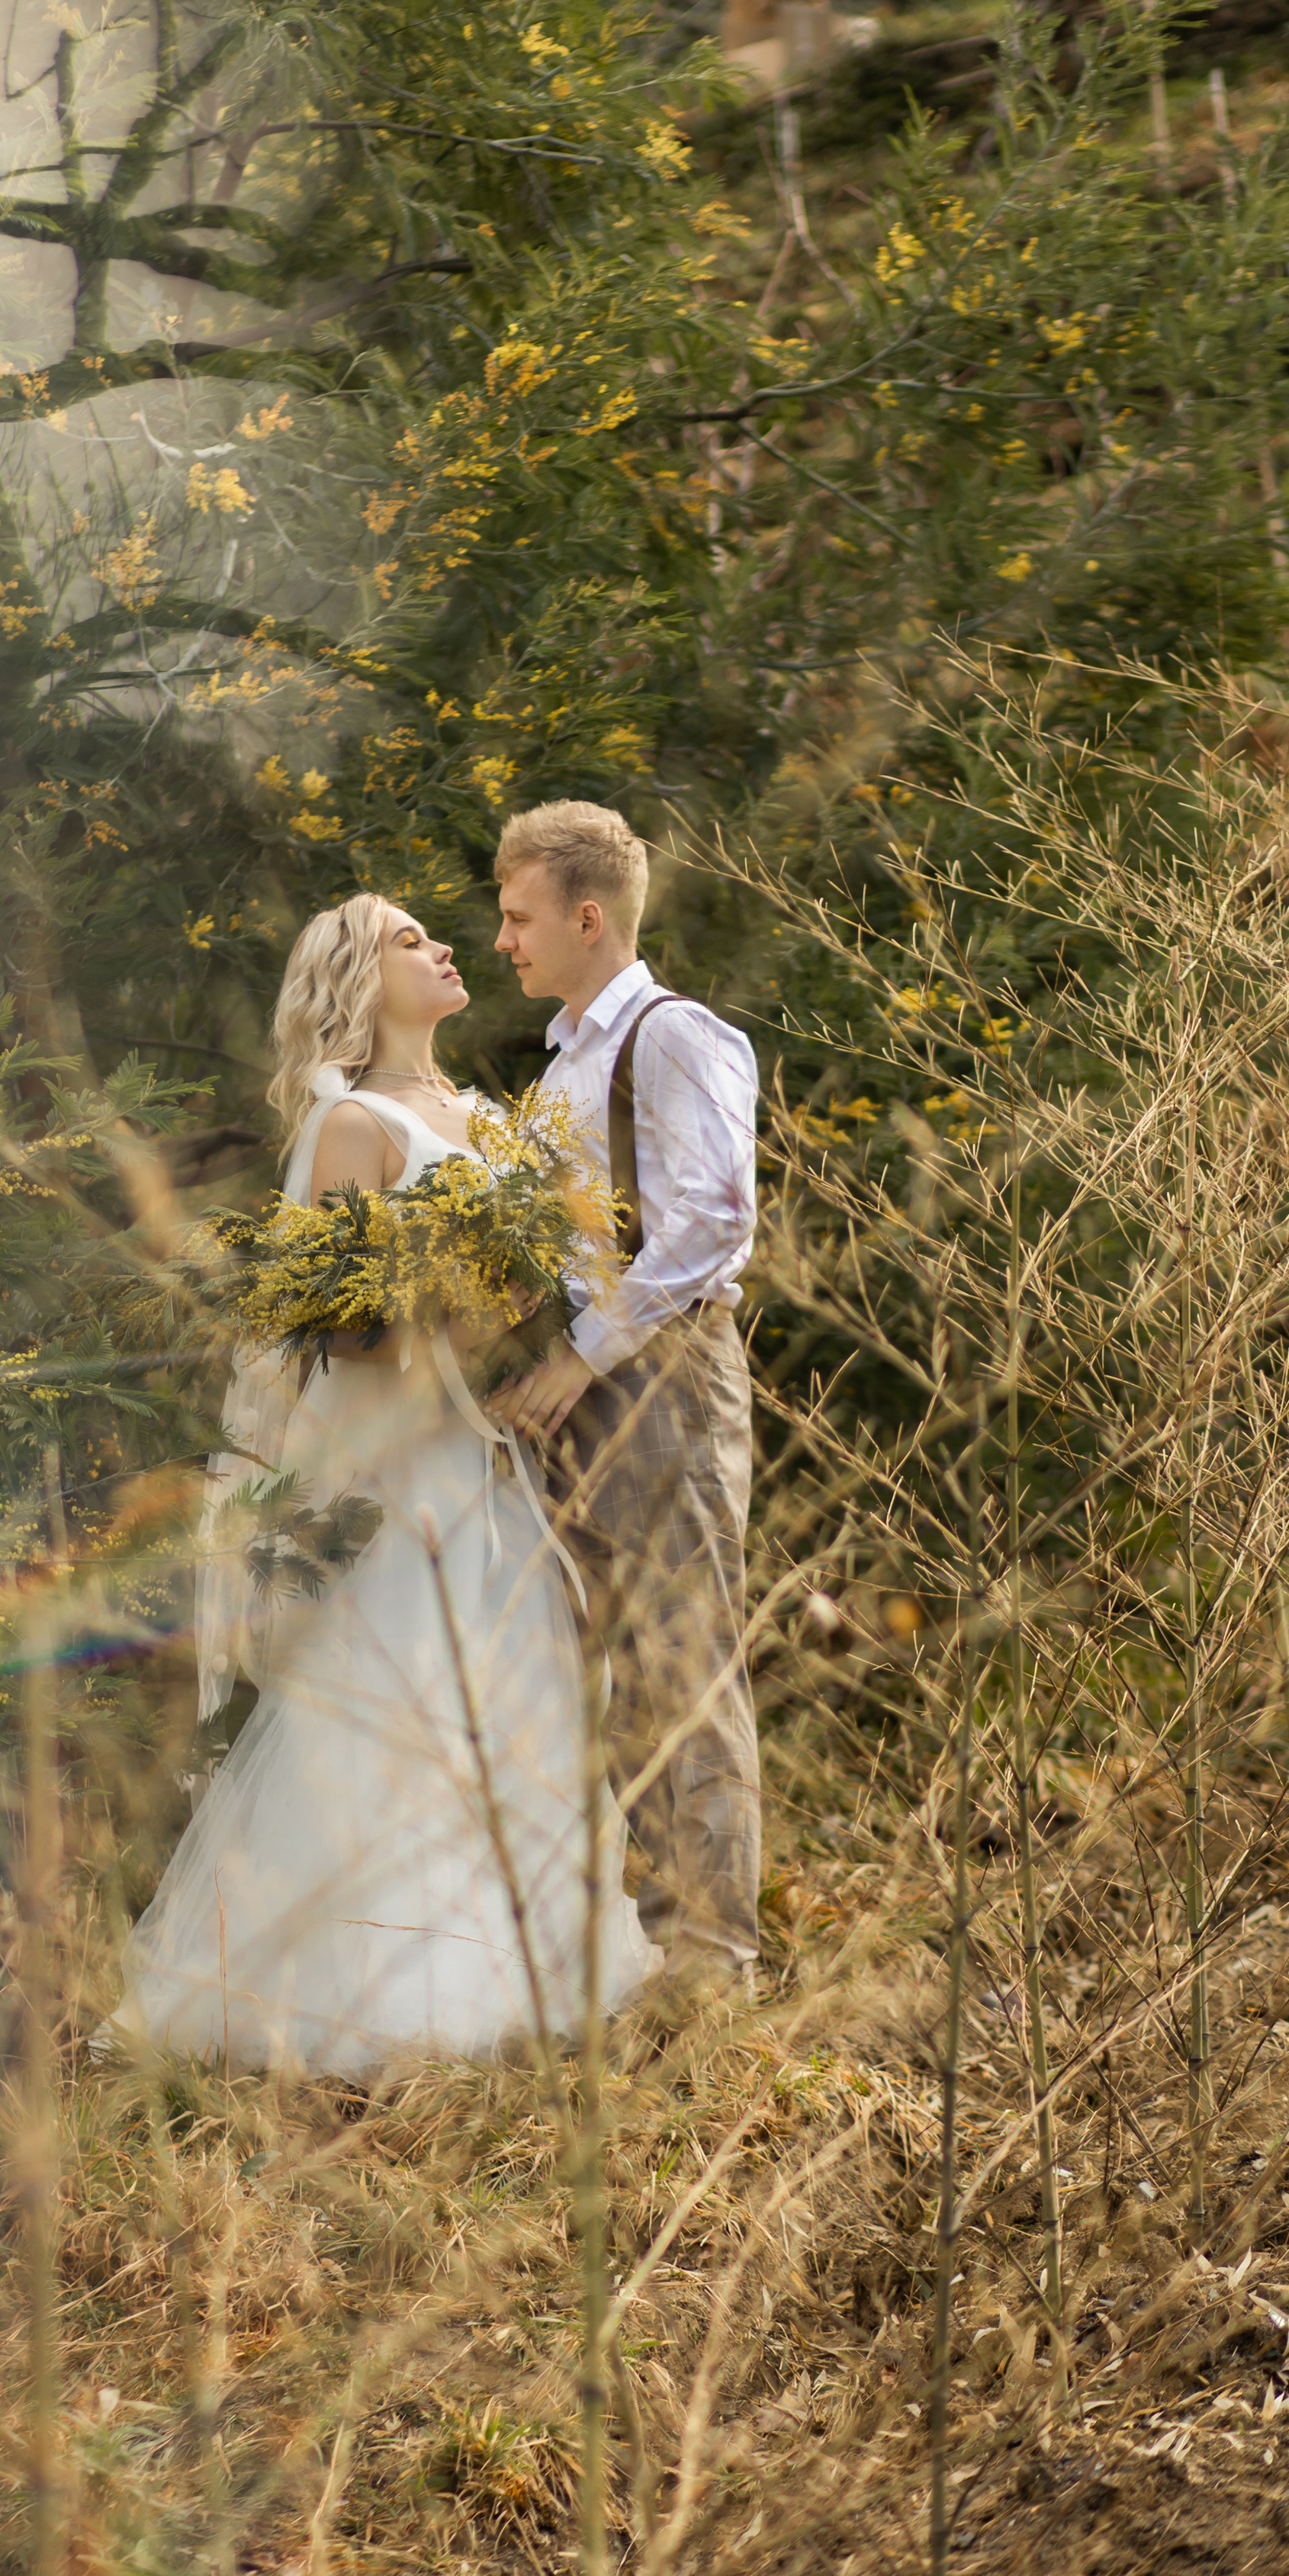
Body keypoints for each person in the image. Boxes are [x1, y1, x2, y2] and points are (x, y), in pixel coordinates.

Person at [108, 895, 656, 2076]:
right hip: (385, 1467)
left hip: (469, 1456)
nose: (447, 947)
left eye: (435, 935)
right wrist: (446, 1311)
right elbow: (334, 1330)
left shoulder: (485, 1120)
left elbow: (536, 1288)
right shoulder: (349, 1126)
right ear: (358, 979)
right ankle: (371, 2000)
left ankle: (510, 1984)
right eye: (411, 939)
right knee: (391, 1711)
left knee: (499, 1707)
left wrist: (504, 1304)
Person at [490, 802, 761, 2015]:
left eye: (518, 916)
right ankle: (658, 1946)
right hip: (586, 1388)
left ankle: (717, 1971)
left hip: (662, 1380)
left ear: (586, 916)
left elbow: (714, 1220)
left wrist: (585, 1355)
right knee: (612, 1675)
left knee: (684, 1666)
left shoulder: (671, 1035)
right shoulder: (565, 1060)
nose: (503, 940)